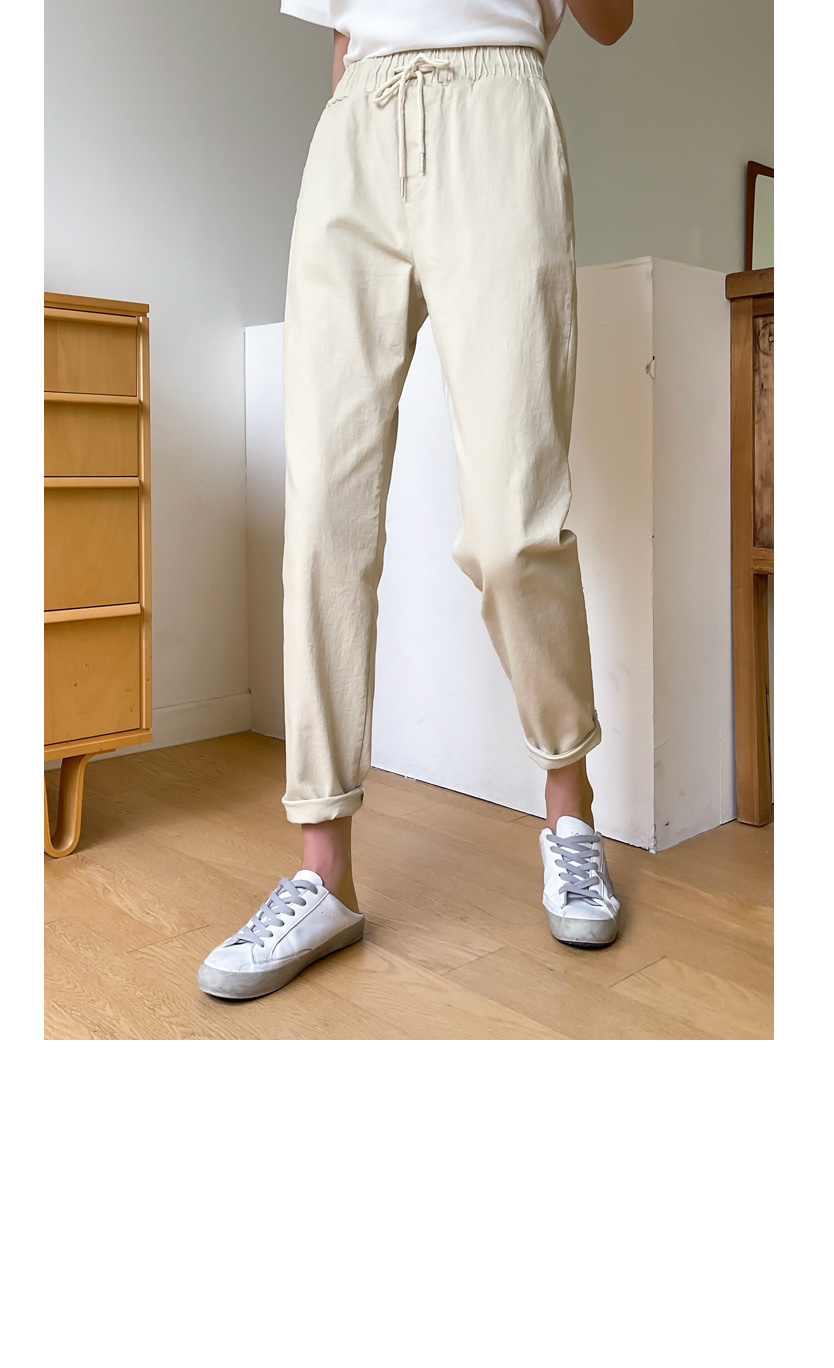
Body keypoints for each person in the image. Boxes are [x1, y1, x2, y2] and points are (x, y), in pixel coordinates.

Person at [198, 0, 633, 1002]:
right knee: (321, 518)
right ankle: (323, 872)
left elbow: (610, 22)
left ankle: (570, 808)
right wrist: (362, 119)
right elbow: (343, 37)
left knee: (512, 526)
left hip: (497, 110)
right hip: (354, 130)